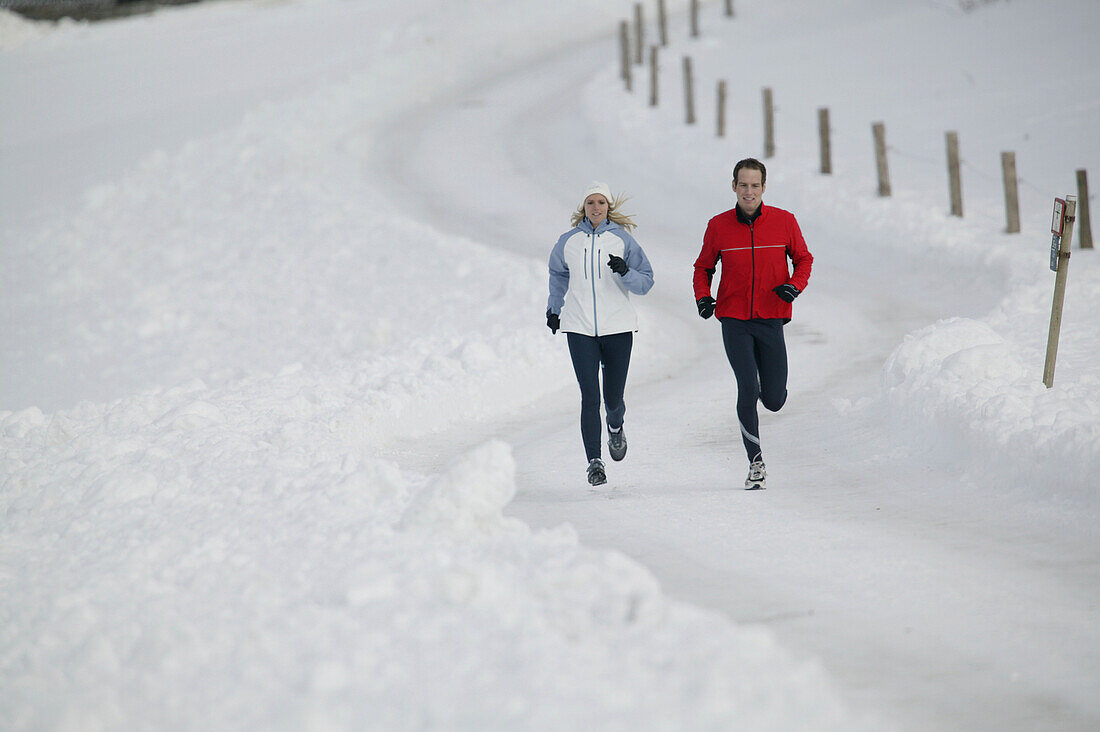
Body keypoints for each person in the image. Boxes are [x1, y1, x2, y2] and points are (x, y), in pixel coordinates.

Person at [692, 158, 813, 489]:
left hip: (771, 316)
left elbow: (804, 259)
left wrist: (793, 285)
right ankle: (755, 462)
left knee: (773, 400)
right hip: (734, 319)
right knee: (747, 387)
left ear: (763, 188)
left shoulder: (784, 222)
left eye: (755, 185)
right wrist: (704, 297)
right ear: (733, 186)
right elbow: (703, 267)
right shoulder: (718, 226)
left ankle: (766, 387)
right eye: (742, 185)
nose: (749, 191)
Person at [547, 182, 654, 486]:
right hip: (579, 326)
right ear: (584, 207)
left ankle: (616, 426)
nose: (596, 208)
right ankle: (594, 462)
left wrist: (625, 271)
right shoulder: (568, 242)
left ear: (609, 207)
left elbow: (646, 282)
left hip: (617, 327)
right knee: (589, 397)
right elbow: (558, 275)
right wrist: (554, 309)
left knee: (612, 398)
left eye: (601, 203)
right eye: (591, 202)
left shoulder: (622, 241)